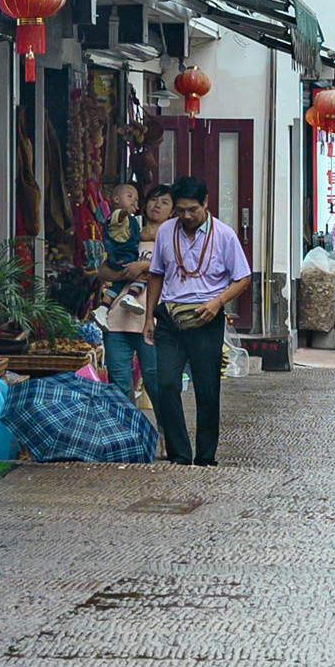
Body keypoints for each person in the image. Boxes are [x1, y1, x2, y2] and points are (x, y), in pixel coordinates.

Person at [141, 176, 250, 467]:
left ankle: (205, 456)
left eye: (192, 210)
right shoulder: (166, 231)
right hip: (170, 317)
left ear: (205, 203)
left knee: (207, 388)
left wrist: (218, 302)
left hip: (206, 317)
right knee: (165, 383)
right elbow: (156, 274)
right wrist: (150, 317)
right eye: (180, 210)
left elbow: (243, 277)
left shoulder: (224, 235)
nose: (186, 216)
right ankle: (179, 454)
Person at [95, 179, 153, 394]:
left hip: (152, 323)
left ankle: (165, 429)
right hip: (118, 324)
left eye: (165, 202)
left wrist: (146, 265)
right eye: (131, 197)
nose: (157, 206)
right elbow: (102, 271)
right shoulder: (127, 224)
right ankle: (122, 427)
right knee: (118, 388)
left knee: (157, 386)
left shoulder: (173, 239)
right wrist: (130, 271)